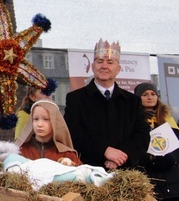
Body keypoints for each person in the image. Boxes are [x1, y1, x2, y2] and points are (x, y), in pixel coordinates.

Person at [63, 39, 149, 170]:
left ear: (118, 69)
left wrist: (121, 156)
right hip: (87, 171)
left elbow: (142, 135)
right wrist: (104, 150)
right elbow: (73, 132)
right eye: (99, 61)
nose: (104, 66)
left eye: (110, 62)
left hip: (125, 172)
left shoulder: (132, 101)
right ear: (93, 66)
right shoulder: (76, 99)